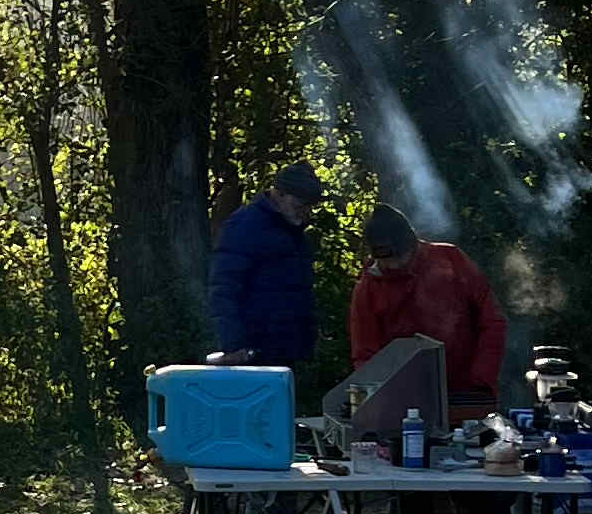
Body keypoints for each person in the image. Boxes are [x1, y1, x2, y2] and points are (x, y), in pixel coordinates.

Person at [348, 205, 508, 412]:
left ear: (412, 245)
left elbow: (493, 320)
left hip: (467, 393)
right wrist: (379, 400)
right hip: (404, 402)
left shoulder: (451, 260)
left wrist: (481, 377)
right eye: (385, 260)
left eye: (399, 257)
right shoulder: (367, 290)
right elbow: (365, 355)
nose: (393, 265)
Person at [207, 162, 322, 381]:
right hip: (251, 354)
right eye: (300, 204)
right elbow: (223, 289)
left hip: (287, 352)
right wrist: (234, 346)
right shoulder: (244, 226)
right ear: (278, 194)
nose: (305, 212)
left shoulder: (295, 233)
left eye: (309, 206)